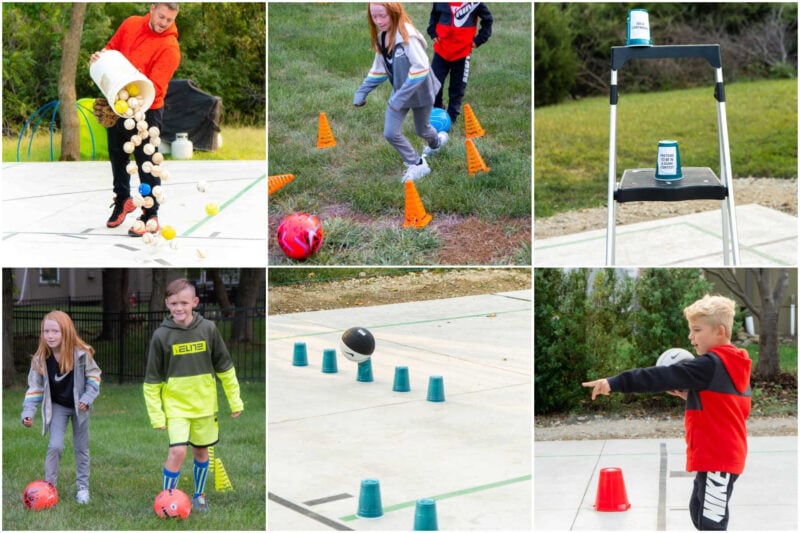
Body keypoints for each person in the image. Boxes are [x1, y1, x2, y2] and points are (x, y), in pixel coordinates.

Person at [582, 294, 751, 531]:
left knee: (712, 523)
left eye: (697, 330)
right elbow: (734, 408)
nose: (691, 337)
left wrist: (615, 383)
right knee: (698, 511)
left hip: (719, 457)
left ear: (719, 332)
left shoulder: (709, 364)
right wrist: (693, 396)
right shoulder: (732, 364)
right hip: (715, 455)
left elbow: (660, 376)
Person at [143, 278, 244, 513]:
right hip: (177, 407)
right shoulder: (161, 335)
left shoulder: (208, 329)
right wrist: (157, 416)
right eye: (174, 303)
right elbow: (151, 382)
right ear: (167, 303)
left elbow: (225, 369)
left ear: (195, 302)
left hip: (205, 406)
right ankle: (167, 499)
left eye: (184, 303)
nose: (179, 308)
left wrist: (235, 399)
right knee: (177, 451)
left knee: (200, 451)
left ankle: (199, 495)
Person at [90, 2, 181, 237]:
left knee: (146, 162)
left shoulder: (170, 48)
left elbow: (157, 88)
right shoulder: (130, 24)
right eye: (161, 16)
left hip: (147, 109)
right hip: (118, 101)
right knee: (117, 155)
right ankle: (122, 200)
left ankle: (150, 214)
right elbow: (111, 50)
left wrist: (132, 106)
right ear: (152, 9)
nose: (163, 23)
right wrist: (99, 58)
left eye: (169, 20)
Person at [354, 2, 449, 183]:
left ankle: (436, 142)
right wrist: (362, 92)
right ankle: (418, 164)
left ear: (395, 12)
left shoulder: (408, 36)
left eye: (383, 16)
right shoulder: (381, 38)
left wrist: (399, 97)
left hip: (422, 94)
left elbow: (421, 68)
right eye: (374, 16)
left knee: (422, 130)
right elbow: (379, 70)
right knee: (390, 132)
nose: (379, 21)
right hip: (400, 94)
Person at [21, 310, 102, 505]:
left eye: (55, 331)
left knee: (81, 448)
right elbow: (35, 387)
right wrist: (28, 412)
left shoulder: (81, 355)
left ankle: (83, 488)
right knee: (55, 446)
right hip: (57, 407)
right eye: (46, 331)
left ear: (66, 331)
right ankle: (49, 488)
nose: (50, 335)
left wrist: (87, 398)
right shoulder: (40, 359)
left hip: (79, 408)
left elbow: (95, 376)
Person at [427, 3, 493, 125]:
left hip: (462, 54)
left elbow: (488, 20)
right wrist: (432, 31)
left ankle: (452, 118)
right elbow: (434, 16)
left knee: (457, 88)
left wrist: (479, 39)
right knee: (434, 84)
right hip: (441, 51)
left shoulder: (475, 3)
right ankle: (437, 109)